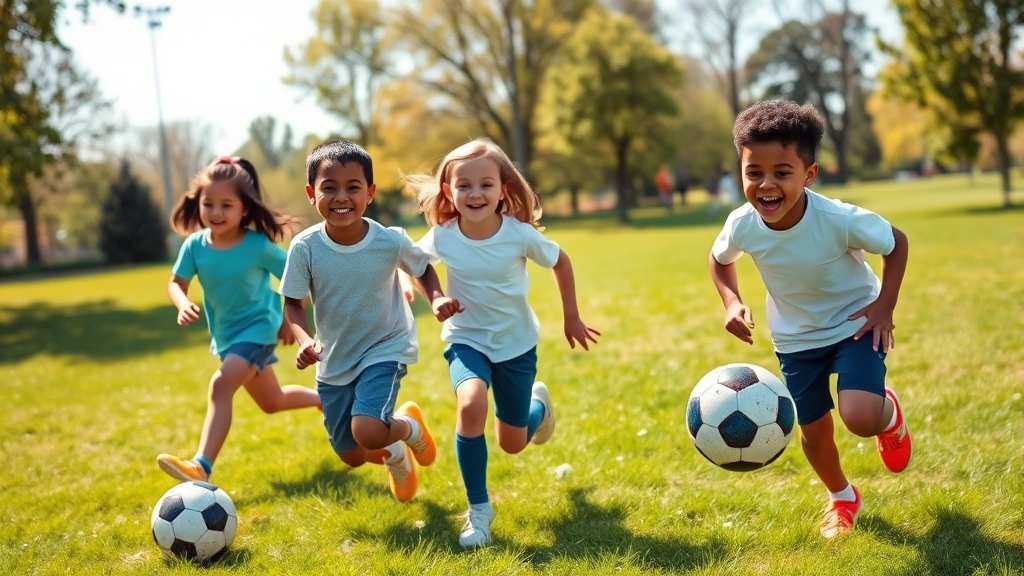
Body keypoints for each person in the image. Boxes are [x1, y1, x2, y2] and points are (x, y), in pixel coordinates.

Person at [708, 100, 912, 539]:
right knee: (815, 431)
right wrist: (731, 301)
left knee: (859, 416)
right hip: (796, 339)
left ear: (809, 174)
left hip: (854, 323)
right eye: (753, 172)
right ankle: (842, 497)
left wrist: (885, 306)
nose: (766, 184)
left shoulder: (837, 219)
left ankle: (888, 414)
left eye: (782, 172)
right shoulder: (742, 224)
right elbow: (719, 258)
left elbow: (896, 242)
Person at [405, 138, 600, 548]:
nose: (475, 194)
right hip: (466, 339)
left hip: (515, 345)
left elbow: (560, 260)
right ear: (448, 191)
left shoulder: (518, 234)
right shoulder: (442, 235)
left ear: (502, 187)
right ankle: (479, 510)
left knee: (512, 443)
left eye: (486, 184)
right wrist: (435, 297)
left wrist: (571, 316)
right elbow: (415, 264)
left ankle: (538, 407)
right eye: (465, 185)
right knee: (471, 404)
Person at [279, 139, 462, 503]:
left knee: (367, 429)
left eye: (353, 188)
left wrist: (437, 297)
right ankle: (396, 455)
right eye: (329, 188)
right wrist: (304, 340)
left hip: (385, 345)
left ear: (370, 193)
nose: (341, 197)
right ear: (311, 194)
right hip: (334, 359)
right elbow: (293, 305)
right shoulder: (304, 248)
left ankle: (408, 428)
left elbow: (422, 268)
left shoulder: (388, 241)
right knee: (350, 454)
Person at [157, 156, 321, 483]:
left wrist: (289, 319)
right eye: (209, 204)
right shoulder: (194, 247)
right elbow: (177, 283)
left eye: (226, 205)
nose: (216, 212)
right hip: (227, 337)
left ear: (244, 208)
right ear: (198, 204)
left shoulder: (257, 246)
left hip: (258, 329)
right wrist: (182, 303)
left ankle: (201, 465)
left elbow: (298, 277)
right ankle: (326, 398)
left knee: (220, 386)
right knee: (272, 402)